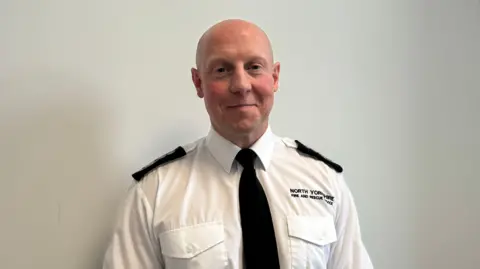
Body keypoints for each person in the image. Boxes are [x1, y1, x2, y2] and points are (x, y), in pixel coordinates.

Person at [102, 19, 374, 269]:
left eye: (254, 67)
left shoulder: (324, 181)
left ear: (275, 77)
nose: (241, 85)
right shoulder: (154, 192)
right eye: (222, 70)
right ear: (199, 83)